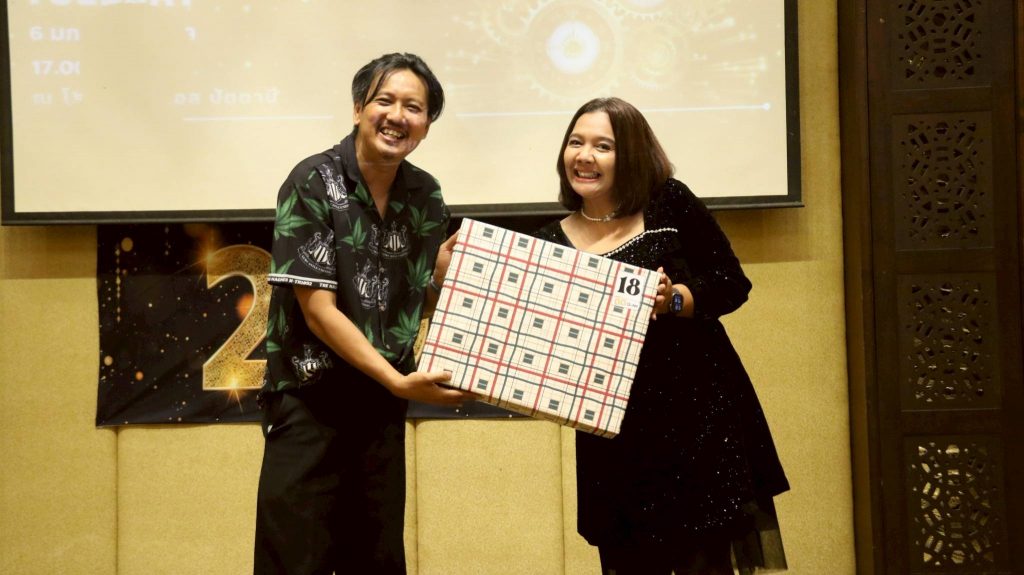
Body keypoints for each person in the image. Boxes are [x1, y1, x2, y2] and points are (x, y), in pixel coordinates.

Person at [533, 97, 790, 575]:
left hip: (699, 420)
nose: (584, 156)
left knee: (704, 561)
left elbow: (731, 283)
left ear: (630, 154)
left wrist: (674, 300)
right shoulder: (551, 241)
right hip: (614, 438)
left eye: (603, 146)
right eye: (575, 142)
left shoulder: (669, 202)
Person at [254, 52, 472, 575]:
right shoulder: (311, 180)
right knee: (294, 559)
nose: (397, 116)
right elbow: (318, 312)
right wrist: (396, 381)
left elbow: (414, 300)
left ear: (427, 124)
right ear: (358, 109)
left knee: (375, 560)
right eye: (384, 101)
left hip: (379, 407)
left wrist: (446, 280)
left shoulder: (426, 194)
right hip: (309, 400)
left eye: (414, 107)